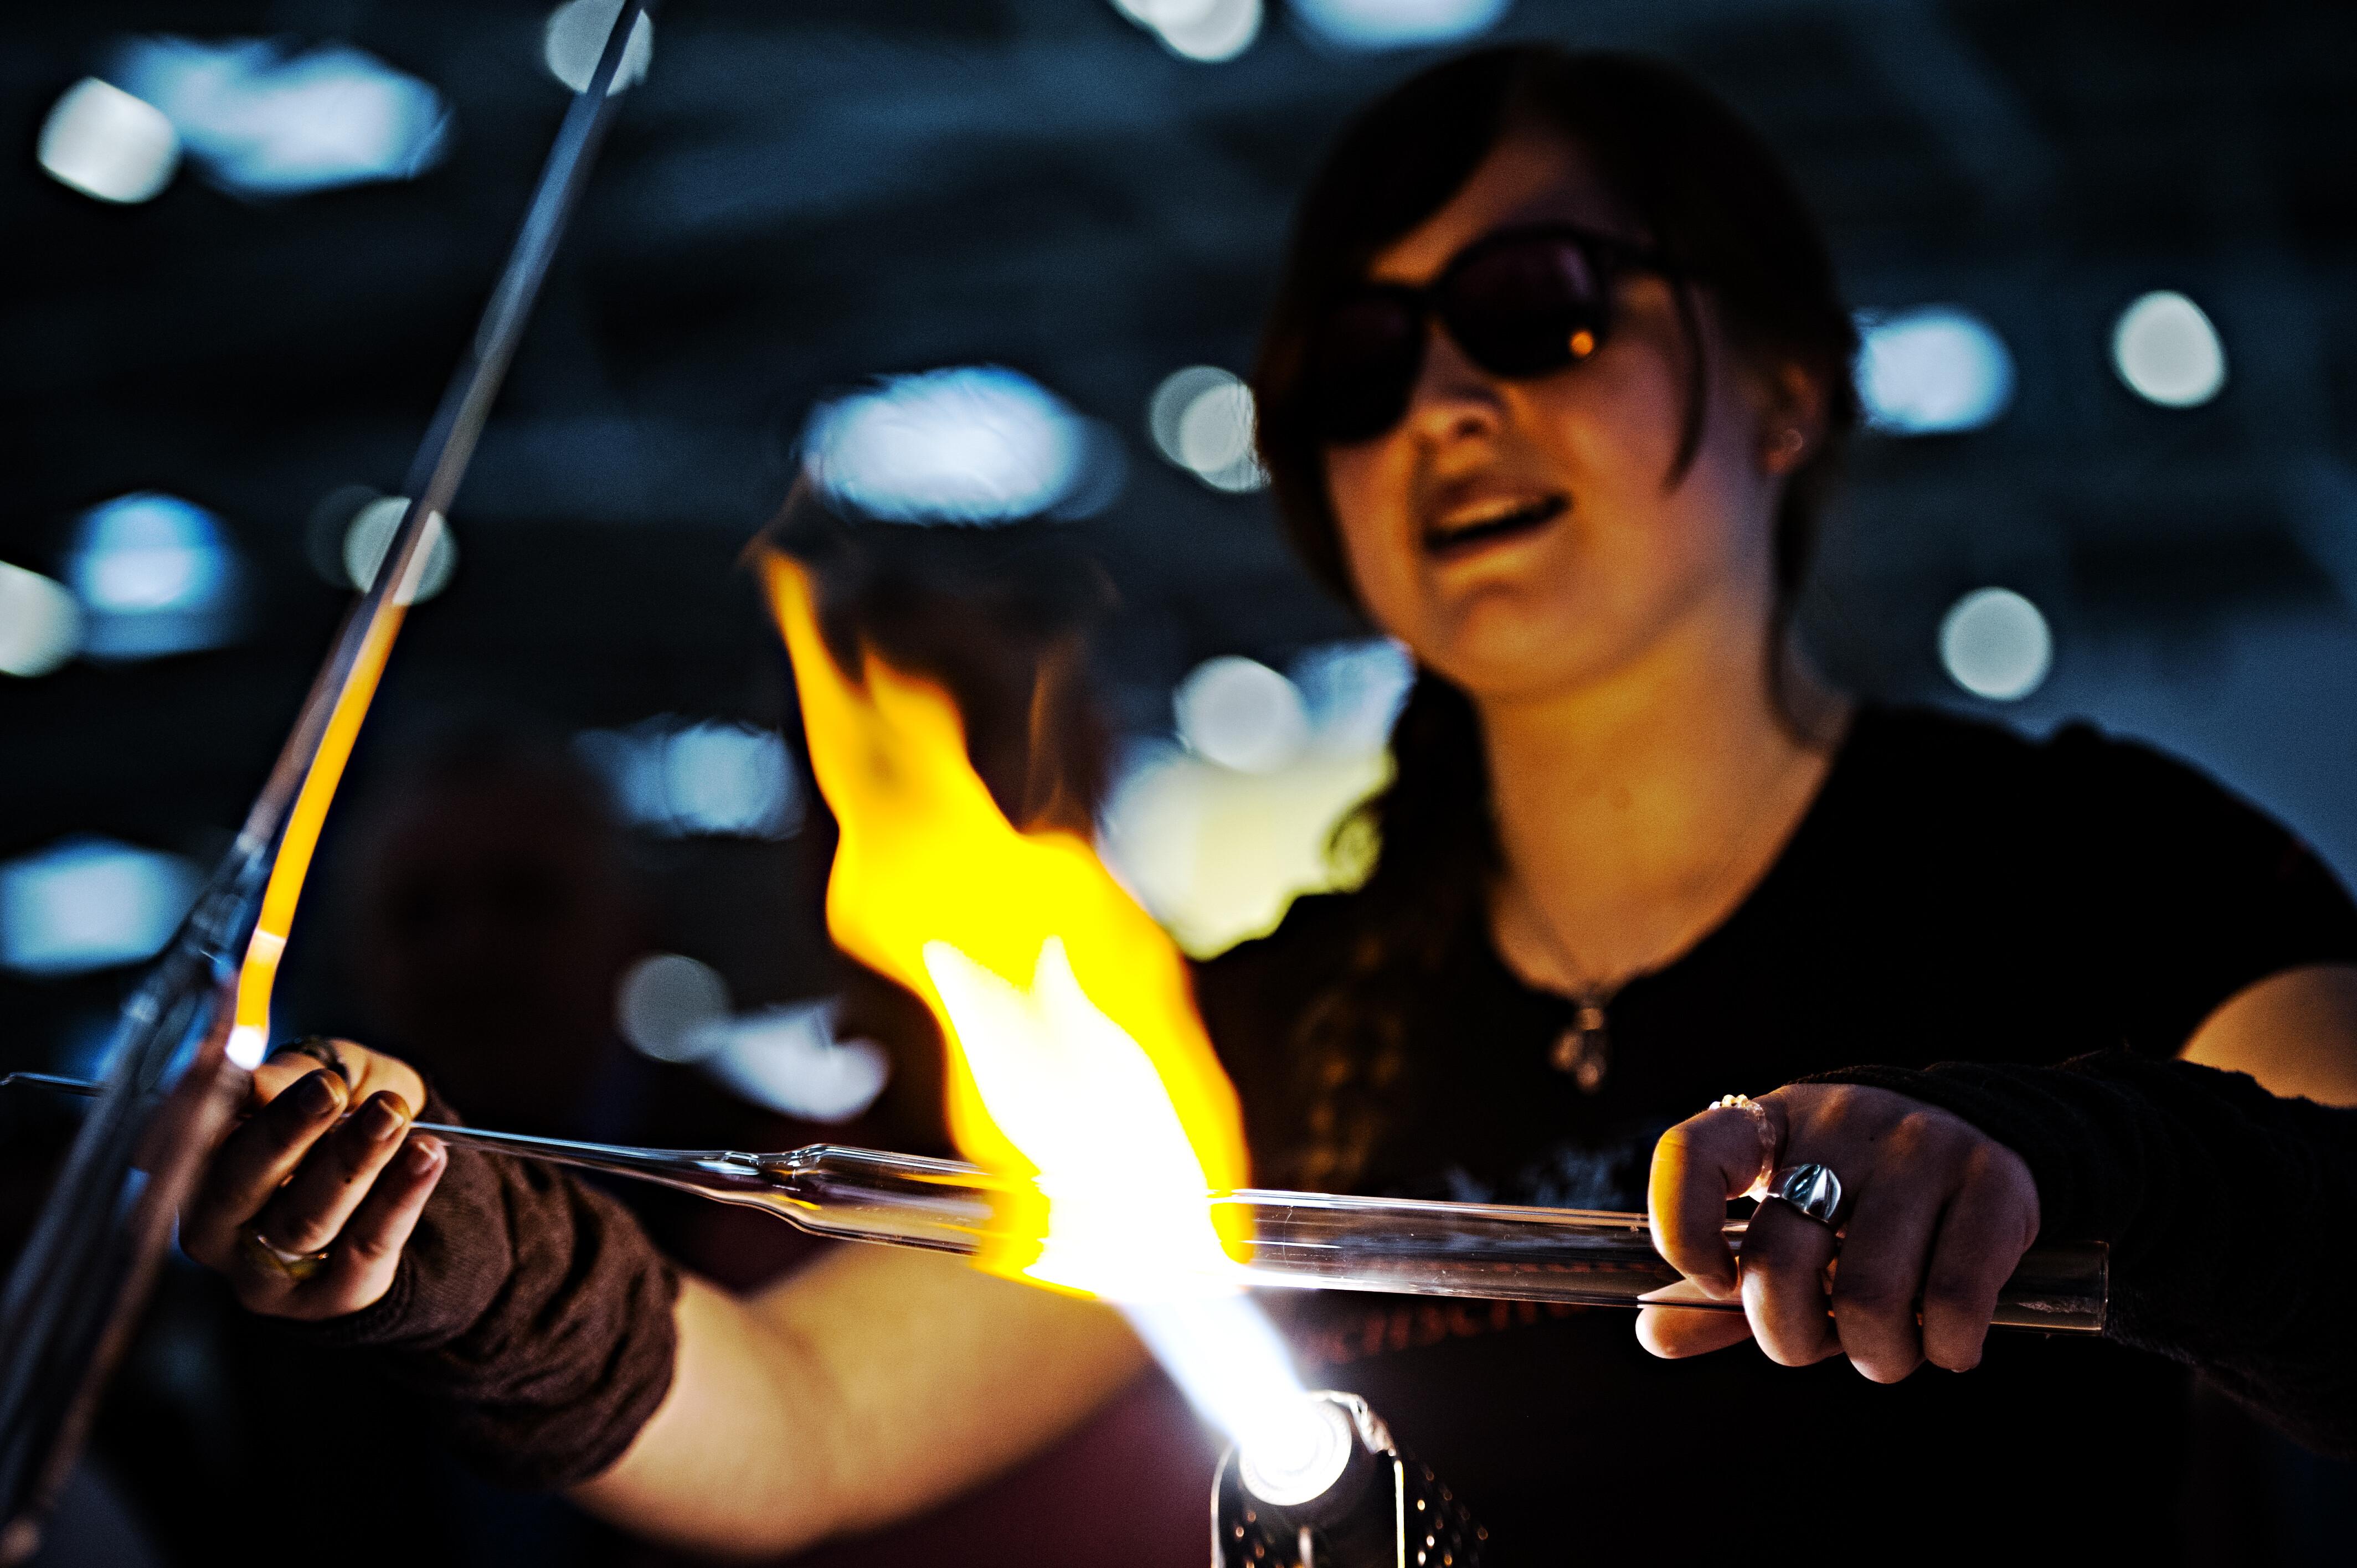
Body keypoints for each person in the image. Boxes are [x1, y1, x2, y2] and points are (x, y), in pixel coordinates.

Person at [178, 45, 2357, 1564]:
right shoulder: (1284, 1031)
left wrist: (2076, 1164)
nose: (1440, 404)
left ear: (1781, 384)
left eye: (1534, 310)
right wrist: (452, 1264)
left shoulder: (2098, 877)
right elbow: (810, 1423)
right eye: (1355, 367)